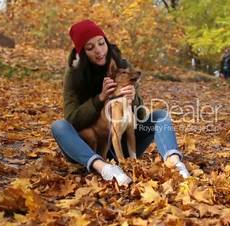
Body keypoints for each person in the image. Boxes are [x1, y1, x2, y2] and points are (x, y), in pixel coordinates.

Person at [51, 20, 190, 186]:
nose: (99, 51)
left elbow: (140, 117)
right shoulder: (74, 75)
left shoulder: (123, 66)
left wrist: (133, 100)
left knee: (160, 115)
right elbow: (73, 120)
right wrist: (100, 98)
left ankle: (174, 163)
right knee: (59, 126)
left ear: (106, 42)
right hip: (88, 148)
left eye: (101, 43)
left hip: (123, 146)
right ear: (82, 53)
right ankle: (104, 169)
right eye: (90, 48)